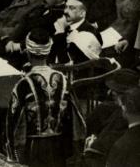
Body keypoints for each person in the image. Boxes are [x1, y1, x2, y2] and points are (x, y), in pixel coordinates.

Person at [5, 28, 84, 166]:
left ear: (28, 53)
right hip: (60, 148)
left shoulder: (23, 84)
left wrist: (13, 156)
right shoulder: (63, 79)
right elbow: (77, 119)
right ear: (48, 52)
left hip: (33, 150)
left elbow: (14, 124)